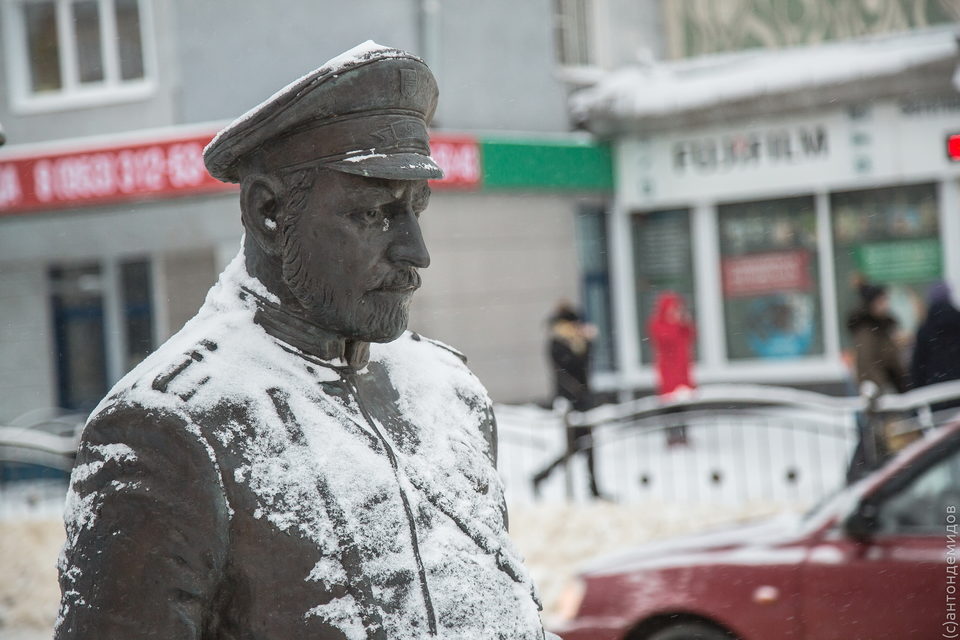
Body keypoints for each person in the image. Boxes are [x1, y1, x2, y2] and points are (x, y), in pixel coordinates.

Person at [55, 43, 550, 640]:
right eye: (373, 214)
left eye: (417, 209)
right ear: (268, 211)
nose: (416, 253)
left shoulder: (449, 393)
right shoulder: (172, 428)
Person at [531, 304, 603, 499]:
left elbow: (585, 365)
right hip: (570, 403)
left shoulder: (576, 342)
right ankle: (541, 476)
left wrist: (586, 344)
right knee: (580, 445)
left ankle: (592, 488)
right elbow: (565, 370)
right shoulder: (558, 343)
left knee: (584, 445)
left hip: (582, 401)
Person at [845, 282, 909, 482]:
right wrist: (884, 388)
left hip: (890, 393)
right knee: (872, 440)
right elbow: (867, 365)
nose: (885, 304)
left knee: (881, 441)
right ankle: (858, 481)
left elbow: (892, 361)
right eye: (881, 300)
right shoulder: (867, 330)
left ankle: (874, 480)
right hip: (877, 395)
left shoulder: (884, 327)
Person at [649, 292, 696, 446]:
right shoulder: (659, 324)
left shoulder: (681, 325)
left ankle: (683, 434)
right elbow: (665, 338)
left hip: (682, 372)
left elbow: (692, 335)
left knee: (682, 406)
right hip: (669, 373)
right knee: (669, 407)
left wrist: (684, 322)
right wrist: (677, 323)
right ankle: (671, 435)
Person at [911, 281, 960, 414]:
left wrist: (916, 394)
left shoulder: (925, 329)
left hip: (936, 393)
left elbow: (918, 366)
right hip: (957, 388)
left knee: (942, 432)